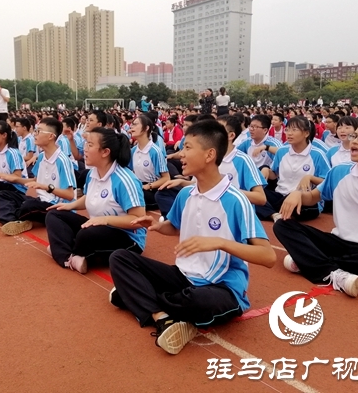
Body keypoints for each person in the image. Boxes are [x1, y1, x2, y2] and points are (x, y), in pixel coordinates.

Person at [109, 120, 275, 355]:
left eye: (188, 148)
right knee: (119, 258)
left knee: (198, 301)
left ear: (209, 155)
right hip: (184, 276)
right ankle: (161, 316)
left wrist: (219, 243)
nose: (181, 154)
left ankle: (138, 296)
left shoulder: (236, 200)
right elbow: (175, 226)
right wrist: (158, 226)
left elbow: (268, 256)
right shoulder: (186, 193)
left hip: (221, 287)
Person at [274, 115, 358, 298]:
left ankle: (311, 263)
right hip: (337, 242)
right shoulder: (340, 171)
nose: (354, 141)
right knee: (282, 225)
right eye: (354, 136)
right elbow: (313, 197)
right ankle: (333, 272)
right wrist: (297, 194)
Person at [45, 128, 146, 273]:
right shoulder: (92, 173)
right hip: (97, 227)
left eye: (90, 145)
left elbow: (139, 220)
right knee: (54, 214)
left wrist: (105, 220)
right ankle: (69, 257)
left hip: (127, 238)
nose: (85, 149)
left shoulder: (125, 180)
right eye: (86, 143)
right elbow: (90, 196)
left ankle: (62, 250)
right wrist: (70, 206)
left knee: (86, 235)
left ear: (105, 152)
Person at [0, 117, 76, 236]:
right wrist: (15, 179)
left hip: (57, 206)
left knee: (28, 206)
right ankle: (14, 219)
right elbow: (36, 181)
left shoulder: (62, 161)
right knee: (4, 194)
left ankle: (9, 214)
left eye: (39, 131)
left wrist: (46, 187)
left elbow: (69, 195)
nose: (35, 134)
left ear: (50, 136)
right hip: (41, 201)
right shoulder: (41, 157)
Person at [256, 116, 330, 222]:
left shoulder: (317, 155)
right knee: (254, 194)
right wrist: (266, 169)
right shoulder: (282, 151)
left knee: (296, 207)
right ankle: (275, 215)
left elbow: (327, 182)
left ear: (306, 133)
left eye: (294, 130)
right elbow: (274, 174)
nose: (289, 133)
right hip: (280, 194)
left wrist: (310, 178)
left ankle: (271, 212)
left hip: (303, 199)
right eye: (287, 130)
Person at [129, 115, 170, 210]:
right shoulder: (133, 151)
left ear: (146, 128)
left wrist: (148, 186)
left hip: (152, 190)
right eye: (132, 124)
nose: (132, 127)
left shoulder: (155, 151)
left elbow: (166, 178)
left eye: (135, 124)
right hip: (139, 187)